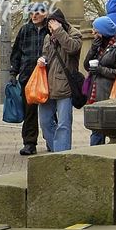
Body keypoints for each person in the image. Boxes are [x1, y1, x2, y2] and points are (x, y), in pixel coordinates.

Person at [36, 9, 81, 153]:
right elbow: (46, 54)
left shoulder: (74, 34)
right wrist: (43, 59)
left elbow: (72, 48)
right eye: (49, 28)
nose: (50, 30)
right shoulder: (48, 38)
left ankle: (62, 155)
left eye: (52, 26)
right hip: (47, 85)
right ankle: (56, 150)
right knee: (45, 122)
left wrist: (59, 31)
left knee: (64, 124)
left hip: (65, 85)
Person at [83, 16, 116, 145]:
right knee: (96, 130)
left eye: (96, 30)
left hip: (110, 94)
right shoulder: (98, 47)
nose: (93, 33)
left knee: (108, 130)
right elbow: (86, 65)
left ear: (104, 32)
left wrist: (101, 70)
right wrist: (93, 49)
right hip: (95, 94)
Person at [9, 2, 50, 156]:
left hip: (47, 76)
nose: (34, 15)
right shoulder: (25, 30)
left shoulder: (51, 30)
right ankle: (29, 142)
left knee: (50, 112)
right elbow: (17, 53)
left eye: (38, 12)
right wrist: (14, 73)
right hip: (28, 76)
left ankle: (51, 139)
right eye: (32, 12)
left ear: (45, 13)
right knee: (30, 112)